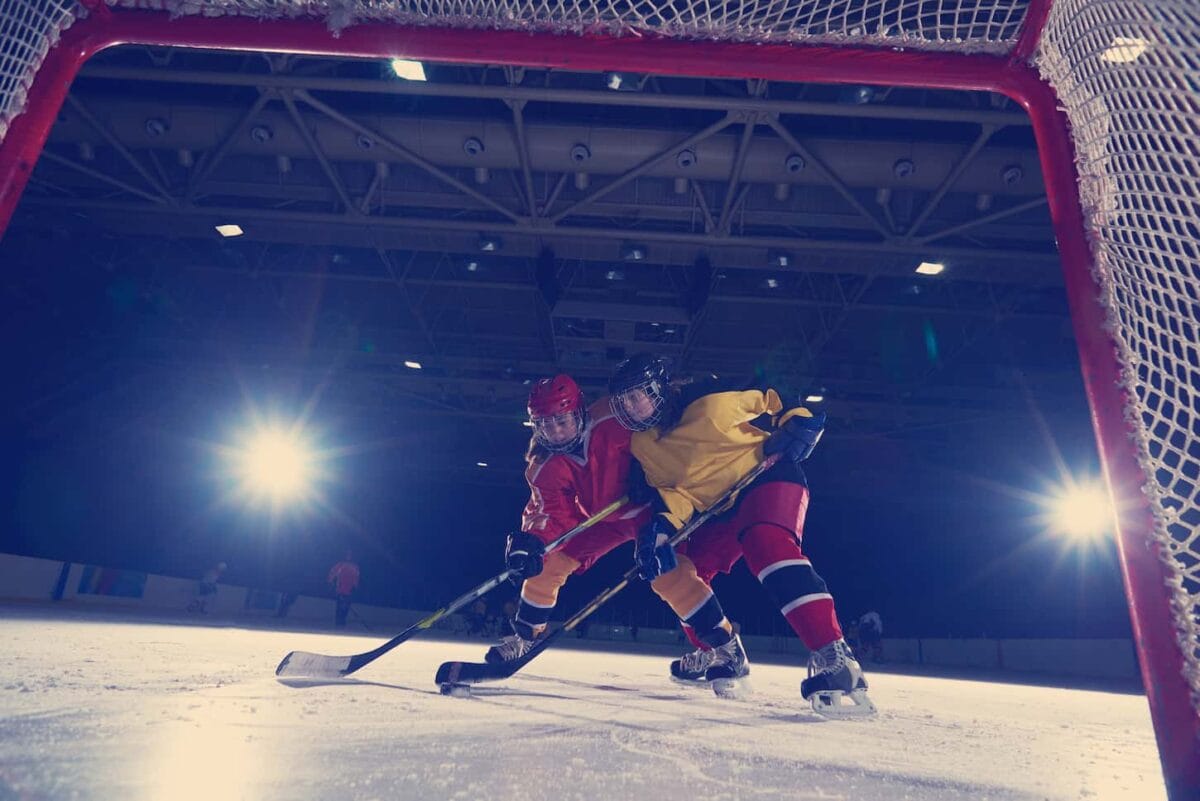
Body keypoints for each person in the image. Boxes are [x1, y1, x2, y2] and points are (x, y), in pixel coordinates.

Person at [608, 354, 874, 714]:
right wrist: (661, 529)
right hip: (719, 509)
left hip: (766, 477)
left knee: (765, 543)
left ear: (659, 387)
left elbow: (773, 394)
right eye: (623, 401)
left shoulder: (710, 395)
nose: (631, 407)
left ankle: (835, 658)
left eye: (637, 395)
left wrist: (797, 420)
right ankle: (722, 651)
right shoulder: (642, 446)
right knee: (670, 574)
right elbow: (678, 494)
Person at [482, 374, 657, 666]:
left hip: (649, 511)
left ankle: (719, 646)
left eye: (561, 422)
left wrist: (654, 473)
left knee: (671, 571)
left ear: (580, 412)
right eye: (546, 426)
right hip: (602, 521)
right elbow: (551, 512)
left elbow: (663, 435)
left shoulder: (614, 417)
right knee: (547, 565)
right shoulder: (543, 465)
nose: (556, 433)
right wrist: (533, 541)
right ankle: (527, 636)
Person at [327, 551, 361, 628]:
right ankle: (338, 620)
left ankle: (342, 619)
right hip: (340, 588)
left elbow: (356, 577)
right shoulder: (340, 565)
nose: (349, 557)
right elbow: (333, 573)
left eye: (350, 555)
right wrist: (330, 581)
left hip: (350, 590)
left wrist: (355, 587)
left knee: (346, 605)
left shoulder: (355, 567)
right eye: (347, 555)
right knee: (340, 605)